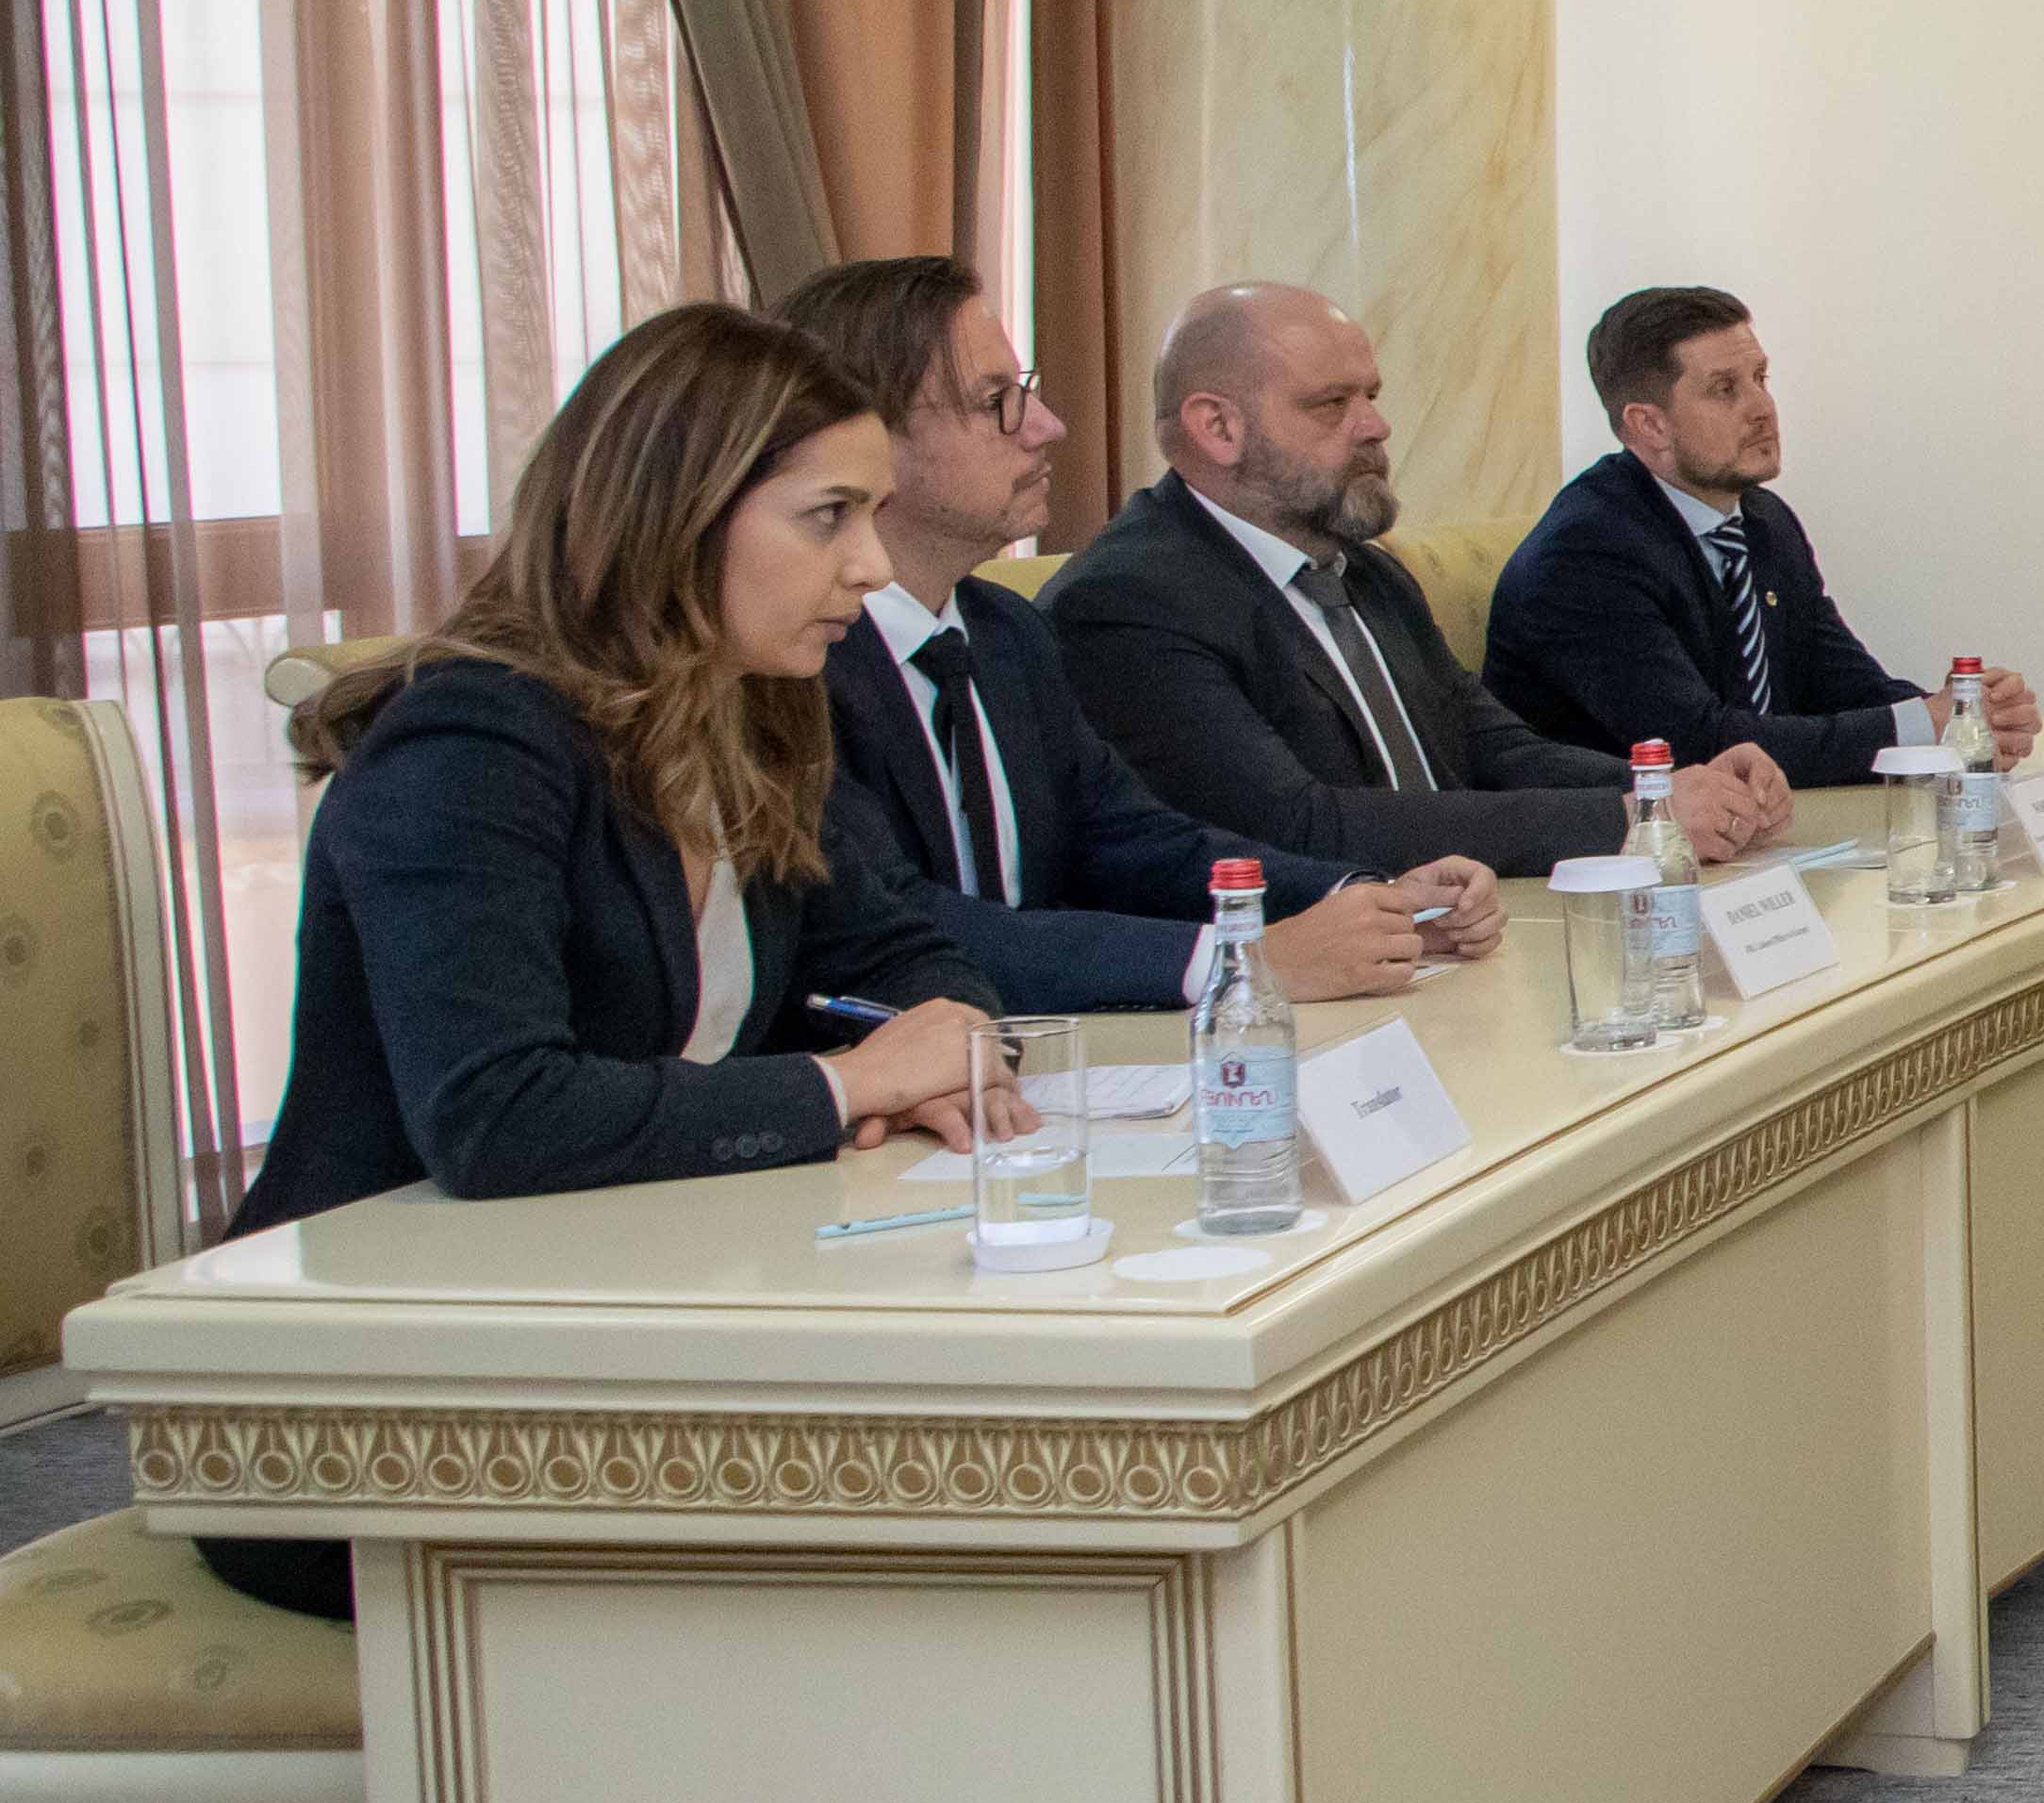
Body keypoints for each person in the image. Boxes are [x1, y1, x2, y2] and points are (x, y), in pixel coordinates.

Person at [206, 306, 1020, 1617]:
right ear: (674, 513)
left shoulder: (750, 712)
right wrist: (847, 1084)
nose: (870, 565)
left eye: (871, 515)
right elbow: (497, 1112)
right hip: (374, 1396)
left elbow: (906, 945)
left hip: (620, 1316)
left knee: (952, 1496)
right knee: (900, 1544)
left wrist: (950, 1040)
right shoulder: (471, 745)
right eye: (828, 517)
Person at [772, 255, 1505, 1012]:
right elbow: (890, 925)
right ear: (865, 439)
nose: (1048, 427)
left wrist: (1365, 900)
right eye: (997, 402)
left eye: (1027, 392)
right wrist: (1235, 960)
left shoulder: (1004, 631)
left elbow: (1130, 840)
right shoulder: (792, 668)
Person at [1046, 282, 1791, 877]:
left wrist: (1672, 787)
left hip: (1452, 921)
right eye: (1331, 404)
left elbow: (1493, 748)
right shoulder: (1128, 602)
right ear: (1217, 428)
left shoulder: (1367, 571)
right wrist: (1631, 819)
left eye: (1370, 396)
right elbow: (1295, 825)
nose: (1375, 426)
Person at [1489, 284, 2039, 787]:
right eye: (1725, 389)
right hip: (1622, 848)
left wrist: (1965, 718)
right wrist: (1922, 725)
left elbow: (1843, 686)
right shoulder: (1585, 555)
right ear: (1649, 425)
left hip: (1758, 832)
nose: (1762, 408)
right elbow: (1699, 745)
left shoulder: (1763, 520)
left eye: (1760, 378)